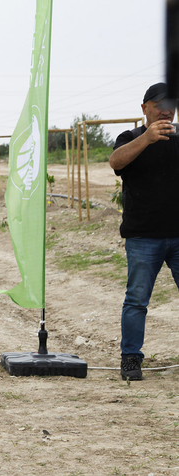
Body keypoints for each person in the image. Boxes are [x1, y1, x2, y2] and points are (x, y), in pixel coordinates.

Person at [109, 82, 179, 380]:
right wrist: (147, 139)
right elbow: (116, 162)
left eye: (171, 104)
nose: (166, 110)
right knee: (137, 299)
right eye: (158, 104)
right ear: (144, 109)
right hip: (142, 237)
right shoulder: (131, 138)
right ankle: (130, 359)